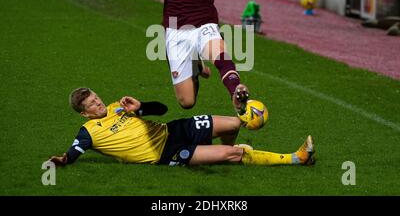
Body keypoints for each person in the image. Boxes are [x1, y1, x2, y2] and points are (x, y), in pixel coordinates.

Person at [134, 0, 298, 113]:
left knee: (219, 51)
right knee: (187, 102)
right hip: (175, 29)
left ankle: (235, 90)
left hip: (205, 23)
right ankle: (195, 66)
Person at [49, 88, 315, 167]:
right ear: (85, 114)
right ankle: (296, 158)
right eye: (92, 105)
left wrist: (140, 107)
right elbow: (74, 151)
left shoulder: (119, 105)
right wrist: (63, 160)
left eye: (96, 98)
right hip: (166, 154)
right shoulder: (89, 132)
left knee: (234, 123)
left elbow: (162, 109)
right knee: (231, 155)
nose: (98, 103)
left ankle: (237, 132)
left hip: (173, 129)